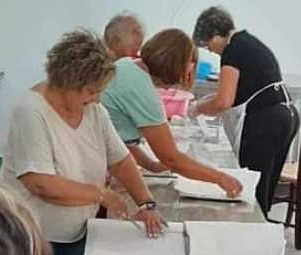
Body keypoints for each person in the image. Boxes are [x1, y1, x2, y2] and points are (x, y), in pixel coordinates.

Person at [2, 29, 166, 255]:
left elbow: (121, 160)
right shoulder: (31, 112)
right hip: (34, 234)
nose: (96, 98)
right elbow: (41, 183)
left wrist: (146, 203)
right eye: (90, 91)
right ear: (66, 80)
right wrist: (100, 194)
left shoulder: (93, 111)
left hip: (75, 230)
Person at [101, 27, 242, 196]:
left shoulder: (127, 65)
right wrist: (220, 178)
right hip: (95, 167)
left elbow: (122, 139)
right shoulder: (141, 88)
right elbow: (171, 158)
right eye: (189, 69)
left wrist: (151, 165)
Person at [190, 5, 298, 214]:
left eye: (207, 45)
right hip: (286, 116)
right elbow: (237, 93)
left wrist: (197, 108)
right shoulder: (248, 43)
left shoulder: (232, 51)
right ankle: (263, 228)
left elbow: (224, 101)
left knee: (253, 186)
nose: (210, 50)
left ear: (214, 35)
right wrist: (205, 101)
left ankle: (253, 234)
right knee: (265, 185)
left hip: (266, 122)